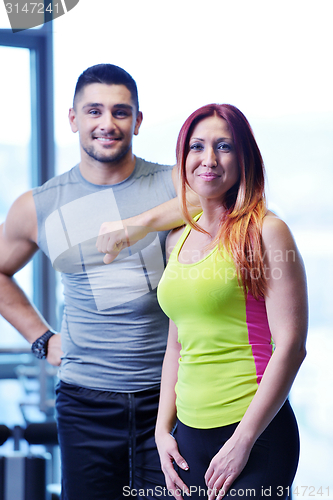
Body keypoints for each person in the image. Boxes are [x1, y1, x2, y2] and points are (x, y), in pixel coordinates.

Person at [0, 63, 200, 500]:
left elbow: (235, 199)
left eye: (120, 112)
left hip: (169, 397)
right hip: (84, 402)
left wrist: (141, 222)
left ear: (138, 121)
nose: (107, 124)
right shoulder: (40, 205)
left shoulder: (175, 185)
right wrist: (42, 340)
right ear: (73, 119)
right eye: (93, 111)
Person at [155, 104, 308, 500]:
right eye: (197, 147)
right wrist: (161, 431)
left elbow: (291, 347)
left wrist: (243, 442)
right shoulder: (178, 238)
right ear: (183, 158)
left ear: (244, 159)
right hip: (188, 437)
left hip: (255, 434)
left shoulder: (267, 232)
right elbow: (177, 344)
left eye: (224, 147)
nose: (208, 159)